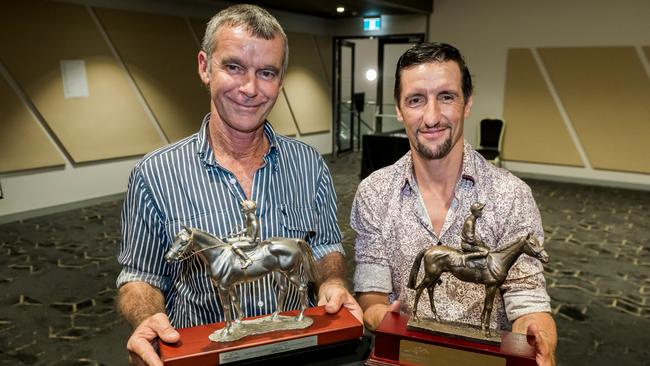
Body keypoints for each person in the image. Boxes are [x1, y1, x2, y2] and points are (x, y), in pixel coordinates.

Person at [116, 5, 361, 366]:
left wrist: (333, 282)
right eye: (233, 67)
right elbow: (141, 275)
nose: (250, 88)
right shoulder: (154, 174)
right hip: (205, 355)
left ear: (280, 80)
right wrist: (146, 317)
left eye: (266, 72)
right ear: (204, 67)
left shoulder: (309, 164)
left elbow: (324, 245)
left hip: (298, 350)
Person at [351, 43, 557, 365]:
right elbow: (372, 292)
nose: (431, 117)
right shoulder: (373, 192)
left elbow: (527, 298)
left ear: (468, 103)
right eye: (416, 100)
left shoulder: (511, 194)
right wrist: (380, 315)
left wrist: (537, 333)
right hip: (404, 355)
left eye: (446, 97)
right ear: (399, 109)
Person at [228, 200, 259, 268]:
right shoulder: (249, 217)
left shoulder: (252, 219)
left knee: (234, 245)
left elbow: (252, 239)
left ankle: (247, 260)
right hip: (248, 239)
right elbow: (249, 229)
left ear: (248, 208)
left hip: (252, 242)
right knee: (228, 240)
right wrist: (240, 232)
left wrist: (241, 238)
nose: (242, 208)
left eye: (244, 207)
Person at [460, 201, 490, 266]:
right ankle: (466, 257)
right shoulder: (470, 222)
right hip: (466, 244)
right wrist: (480, 244)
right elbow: (471, 239)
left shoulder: (473, 219)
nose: (481, 212)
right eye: (480, 210)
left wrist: (482, 243)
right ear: (475, 211)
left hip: (469, 243)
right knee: (485, 251)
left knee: (487, 248)